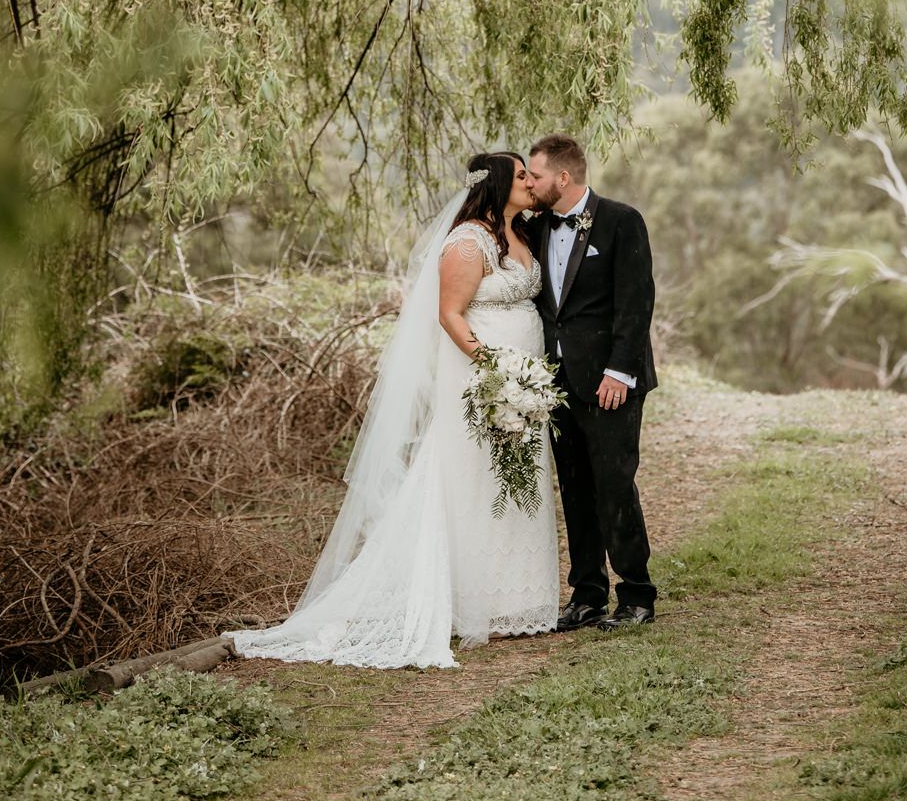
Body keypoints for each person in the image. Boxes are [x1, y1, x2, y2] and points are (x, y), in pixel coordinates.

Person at [229, 152, 558, 669]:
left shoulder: (522, 234)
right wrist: (495, 369)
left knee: (518, 477)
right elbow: (449, 314)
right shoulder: (468, 241)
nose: (530, 183)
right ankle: (472, 602)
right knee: (475, 477)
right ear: (497, 185)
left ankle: (516, 601)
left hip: (526, 382)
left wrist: (527, 377)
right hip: (484, 380)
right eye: (521, 176)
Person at [525, 132, 657, 632]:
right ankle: (587, 594)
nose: (530, 183)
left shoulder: (622, 221)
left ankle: (637, 596)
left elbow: (636, 301)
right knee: (575, 488)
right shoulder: (534, 226)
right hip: (555, 382)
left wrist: (619, 371)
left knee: (614, 486)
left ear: (563, 177)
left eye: (535, 175)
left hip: (609, 382)